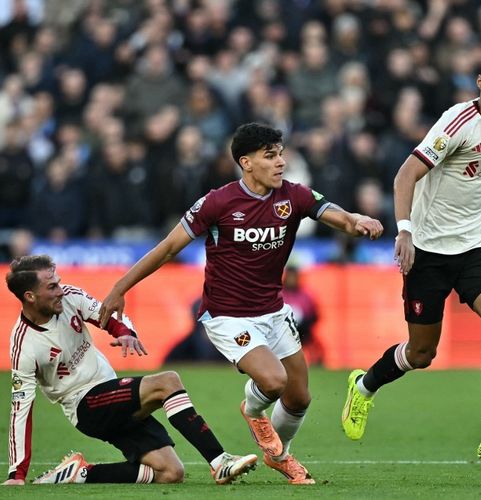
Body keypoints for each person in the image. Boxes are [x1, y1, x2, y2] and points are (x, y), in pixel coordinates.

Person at [99, 123, 383, 484]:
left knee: (299, 398)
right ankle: (252, 410)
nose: (280, 162)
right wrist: (120, 287)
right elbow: (168, 247)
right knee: (274, 381)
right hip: (228, 315)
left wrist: (357, 220)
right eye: (271, 156)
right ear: (246, 163)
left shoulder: (293, 196)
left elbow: (336, 215)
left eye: (281, 153)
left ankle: (280, 455)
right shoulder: (218, 203)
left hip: (274, 311)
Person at [341, 52, 481, 464]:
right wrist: (406, 231)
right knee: (420, 354)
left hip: (472, 248)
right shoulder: (456, 122)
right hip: (427, 252)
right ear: (480, 82)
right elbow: (404, 174)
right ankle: (363, 387)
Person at [1, 255, 257, 486]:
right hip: (86, 405)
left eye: (58, 282)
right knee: (168, 381)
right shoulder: (25, 345)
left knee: (170, 472)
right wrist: (17, 474)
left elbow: (108, 315)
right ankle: (220, 461)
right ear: (30, 297)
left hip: (111, 396)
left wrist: (125, 333)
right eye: (51, 286)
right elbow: (20, 409)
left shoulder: (69, 297)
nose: (59, 290)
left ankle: (81, 474)